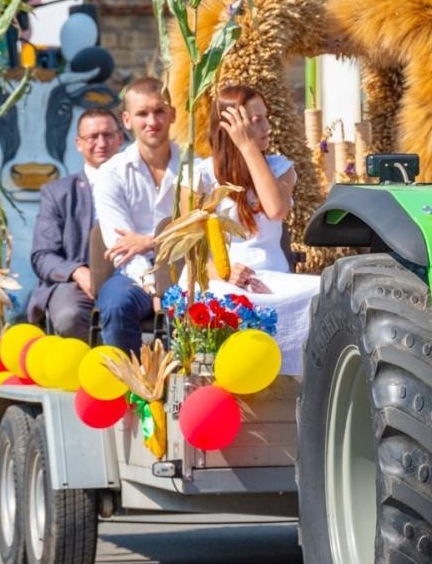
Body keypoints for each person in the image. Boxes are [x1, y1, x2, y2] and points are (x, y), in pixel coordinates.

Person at [193, 84, 320, 375]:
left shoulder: (280, 168)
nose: (266, 127)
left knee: (323, 290)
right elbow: (191, 250)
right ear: (230, 127)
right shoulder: (199, 177)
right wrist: (221, 273)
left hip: (273, 278)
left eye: (265, 117)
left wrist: (249, 148)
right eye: (254, 121)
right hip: (222, 280)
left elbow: (275, 209)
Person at [92, 78, 183, 354]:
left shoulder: (195, 168)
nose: (152, 121)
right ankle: (132, 392)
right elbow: (122, 246)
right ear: (127, 120)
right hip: (133, 275)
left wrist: (147, 240)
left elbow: (196, 234)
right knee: (116, 306)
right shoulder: (110, 173)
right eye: (143, 113)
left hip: (185, 271)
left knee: (203, 306)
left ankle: (188, 389)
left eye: (159, 111)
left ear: (173, 115)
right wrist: (156, 286)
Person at [27, 106, 126, 338]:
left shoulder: (138, 185)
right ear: (79, 143)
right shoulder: (57, 193)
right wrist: (77, 272)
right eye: (92, 137)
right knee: (68, 316)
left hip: (131, 279)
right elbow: (42, 255)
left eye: (108, 135)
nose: (101, 143)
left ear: (120, 138)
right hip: (75, 284)